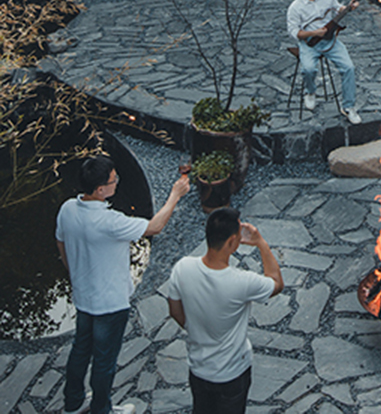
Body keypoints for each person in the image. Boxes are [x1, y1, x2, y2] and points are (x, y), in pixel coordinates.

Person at [56, 153, 190, 414]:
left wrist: (73, 272)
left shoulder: (68, 209)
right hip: (110, 304)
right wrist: (175, 195)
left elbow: (60, 242)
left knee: (80, 351)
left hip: (84, 298)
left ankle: (72, 404)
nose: (117, 182)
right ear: (100, 189)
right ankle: (101, 410)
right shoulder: (110, 222)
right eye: (113, 180)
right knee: (104, 361)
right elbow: (155, 226)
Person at [167, 207, 283, 414]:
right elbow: (276, 282)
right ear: (231, 242)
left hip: (198, 369)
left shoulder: (182, 268)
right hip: (232, 373)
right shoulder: (242, 282)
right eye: (238, 237)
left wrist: (194, 329)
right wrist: (260, 243)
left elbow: (175, 311)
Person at [286, 0, 362, 124]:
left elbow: (337, 8)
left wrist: (347, 8)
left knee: (349, 68)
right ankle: (310, 92)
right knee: (308, 69)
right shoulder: (295, 7)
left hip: (330, 41)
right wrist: (314, 33)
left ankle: (348, 107)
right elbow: (294, 32)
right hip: (309, 44)